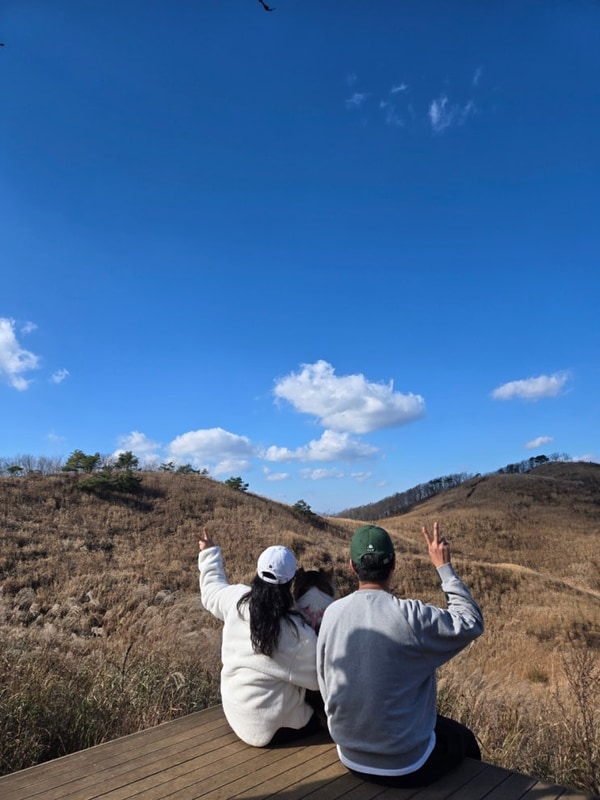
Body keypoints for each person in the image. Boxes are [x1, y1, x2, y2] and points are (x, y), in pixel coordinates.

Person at [316, 522, 484, 788]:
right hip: (407, 764)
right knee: (462, 738)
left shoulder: (332, 613)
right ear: (393, 564)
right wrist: (444, 567)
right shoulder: (411, 616)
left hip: (349, 754)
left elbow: (325, 683)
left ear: (352, 566)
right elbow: (471, 621)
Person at [198, 533, 322, 747]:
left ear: (257, 572)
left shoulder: (237, 599)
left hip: (236, 713)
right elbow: (319, 680)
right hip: (271, 729)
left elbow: (211, 592)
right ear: (291, 582)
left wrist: (208, 552)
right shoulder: (296, 634)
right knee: (322, 712)